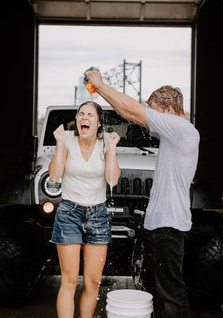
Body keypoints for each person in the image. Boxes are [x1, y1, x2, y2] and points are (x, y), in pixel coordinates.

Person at [84, 69, 200, 318]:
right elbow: (130, 113)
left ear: (168, 109)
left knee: (171, 293)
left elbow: (134, 110)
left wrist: (101, 85)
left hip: (169, 226)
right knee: (158, 292)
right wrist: (104, 95)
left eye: (153, 110)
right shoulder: (173, 134)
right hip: (161, 226)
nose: (150, 120)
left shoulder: (181, 129)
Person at [49, 101, 120, 318]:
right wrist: (60, 144)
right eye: (81, 114)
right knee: (69, 280)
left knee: (92, 282)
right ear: (77, 120)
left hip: (98, 214)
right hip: (69, 212)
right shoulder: (67, 139)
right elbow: (54, 175)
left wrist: (112, 150)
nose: (84, 118)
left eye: (90, 115)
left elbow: (112, 180)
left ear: (99, 123)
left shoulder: (105, 143)